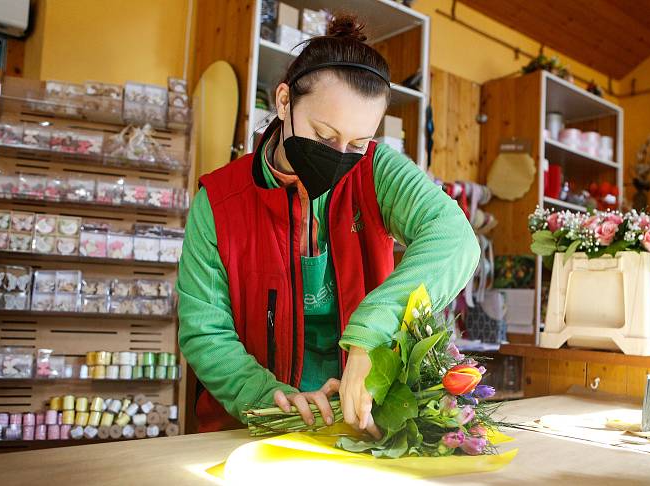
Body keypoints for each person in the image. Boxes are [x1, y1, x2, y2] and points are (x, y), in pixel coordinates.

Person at [177, 14, 479, 437]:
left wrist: (372, 329)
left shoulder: (376, 171)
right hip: (252, 425)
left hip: (359, 420)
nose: (340, 155)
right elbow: (204, 331)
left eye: (357, 143)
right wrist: (271, 398)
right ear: (284, 102)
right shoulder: (218, 202)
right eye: (323, 135)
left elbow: (455, 239)